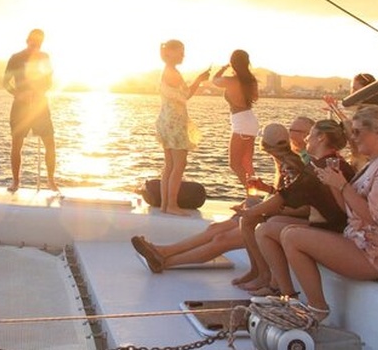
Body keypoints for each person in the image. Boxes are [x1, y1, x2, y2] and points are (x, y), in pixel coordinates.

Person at [130, 116, 314, 273]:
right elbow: (289, 195)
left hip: (280, 219)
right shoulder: (287, 161)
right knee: (214, 229)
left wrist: (259, 210)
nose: (292, 133)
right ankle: (163, 252)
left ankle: (165, 262)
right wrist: (266, 190)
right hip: (271, 213)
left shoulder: (295, 165)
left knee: (222, 239)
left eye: (296, 130)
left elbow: (304, 207)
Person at [281, 105, 378, 322]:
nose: (353, 137)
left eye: (358, 132)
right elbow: (349, 211)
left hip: (376, 256)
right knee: (289, 231)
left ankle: (317, 309)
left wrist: (343, 186)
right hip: (359, 243)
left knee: (292, 236)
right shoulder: (373, 165)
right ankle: (300, 301)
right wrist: (334, 183)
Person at [235, 120, 355, 292]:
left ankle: (284, 292)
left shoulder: (319, 168)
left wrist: (249, 213)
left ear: (321, 138)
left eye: (310, 134)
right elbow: (288, 194)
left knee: (264, 230)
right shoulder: (334, 162)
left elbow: (284, 197)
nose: (306, 139)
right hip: (329, 225)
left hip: (332, 230)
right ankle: (272, 282)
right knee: (272, 221)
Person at [154, 40, 210, 215]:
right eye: (180, 52)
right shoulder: (173, 73)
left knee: (169, 165)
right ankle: (171, 205)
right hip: (175, 122)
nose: (183, 55)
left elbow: (182, 96)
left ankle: (165, 205)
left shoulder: (167, 71)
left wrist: (199, 80)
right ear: (170, 53)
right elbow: (185, 95)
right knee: (179, 164)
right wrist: (199, 80)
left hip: (166, 120)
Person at [3, 29, 58, 193]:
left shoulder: (44, 57)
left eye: (39, 43)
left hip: (40, 105)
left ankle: (50, 180)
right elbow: (5, 82)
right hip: (20, 107)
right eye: (34, 42)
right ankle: (15, 181)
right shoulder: (16, 58)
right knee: (17, 143)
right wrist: (18, 94)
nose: (36, 46)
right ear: (27, 40)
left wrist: (39, 91)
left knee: (50, 143)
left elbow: (49, 82)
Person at [212, 50, 259, 188]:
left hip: (241, 123)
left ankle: (252, 194)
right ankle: (252, 198)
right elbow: (255, 97)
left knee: (235, 164)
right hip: (250, 120)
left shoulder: (230, 81)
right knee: (247, 163)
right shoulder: (251, 80)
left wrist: (223, 68)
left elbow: (214, 80)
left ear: (233, 63)